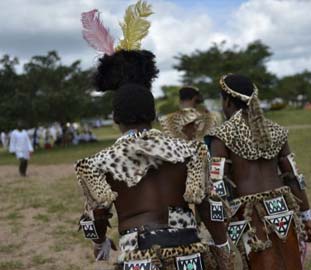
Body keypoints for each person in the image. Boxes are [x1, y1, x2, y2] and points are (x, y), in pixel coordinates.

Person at [75, 2, 233, 269]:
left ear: (115, 119)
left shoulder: (97, 164)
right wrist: (222, 245)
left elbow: (96, 218)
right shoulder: (190, 152)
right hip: (189, 256)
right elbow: (207, 206)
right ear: (153, 116)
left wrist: (98, 241)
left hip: (139, 258)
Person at [206, 74, 311, 270]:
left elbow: (217, 187)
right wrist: (308, 216)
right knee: (290, 263)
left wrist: (219, 233)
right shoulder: (275, 130)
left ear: (228, 101)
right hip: (282, 208)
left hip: (248, 216)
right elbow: (294, 177)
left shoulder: (222, 135)